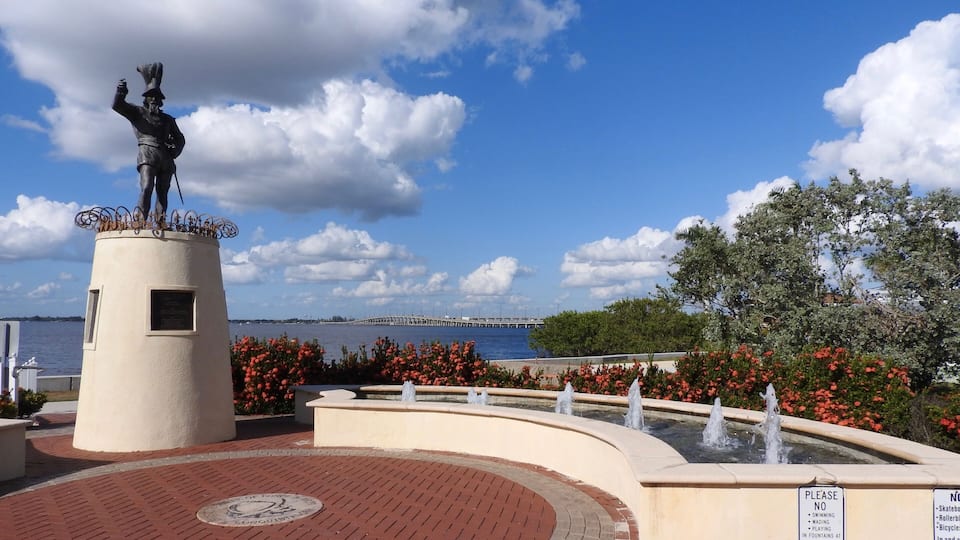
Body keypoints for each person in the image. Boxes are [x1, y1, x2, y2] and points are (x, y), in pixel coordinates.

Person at [112, 63, 185, 219]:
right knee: (146, 187)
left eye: (157, 98)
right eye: (152, 97)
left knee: (163, 191)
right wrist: (120, 93)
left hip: (165, 157)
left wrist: (175, 150)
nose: (155, 100)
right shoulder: (138, 113)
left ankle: (160, 220)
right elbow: (118, 106)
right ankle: (141, 219)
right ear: (146, 99)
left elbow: (180, 138)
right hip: (147, 153)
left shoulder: (167, 119)